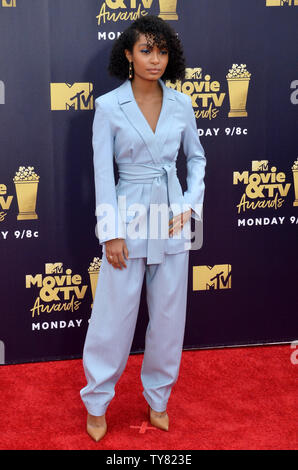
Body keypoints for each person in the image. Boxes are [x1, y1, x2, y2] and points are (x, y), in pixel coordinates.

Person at [80, 15, 206, 442]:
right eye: (146, 50)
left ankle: (158, 398)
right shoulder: (108, 106)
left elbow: (199, 159)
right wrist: (109, 232)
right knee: (113, 318)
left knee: (170, 317)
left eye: (162, 50)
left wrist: (190, 205)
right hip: (128, 215)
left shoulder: (183, 104)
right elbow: (102, 173)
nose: (155, 59)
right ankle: (97, 400)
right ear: (129, 55)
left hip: (172, 216)